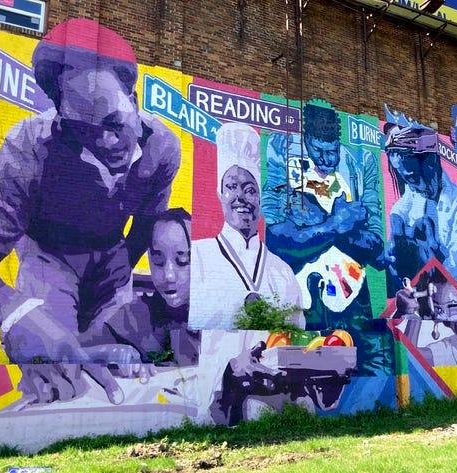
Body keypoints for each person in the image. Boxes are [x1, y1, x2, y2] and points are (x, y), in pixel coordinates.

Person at [0, 18, 181, 404]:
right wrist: (15, 312)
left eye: (115, 122)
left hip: (114, 252)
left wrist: (120, 268)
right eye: (84, 130)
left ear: (133, 101)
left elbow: (147, 222)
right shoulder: (26, 149)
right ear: (63, 119)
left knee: (120, 367)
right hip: (49, 253)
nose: (106, 142)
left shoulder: (163, 148)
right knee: (59, 375)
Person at [263, 101, 387, 375]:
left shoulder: (360, 164)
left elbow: (376, 245)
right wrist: (337, 224)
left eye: (332, 152)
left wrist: (314, 229)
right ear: (306, 140)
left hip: (355, 301)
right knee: (305, 373)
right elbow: (275, 239)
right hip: (305, 301)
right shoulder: (280, 152)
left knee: (364, 371)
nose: (327, 159)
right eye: (318, 150)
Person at [189, 122, 304, 330]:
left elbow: (295, 333)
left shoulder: (283, 272)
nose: (240, 197)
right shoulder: (195, 257)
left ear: (260, 200)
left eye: (250, 189)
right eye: (231, 187)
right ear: (219, 195)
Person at [80, 208, 199, 366]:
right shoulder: (136, 317)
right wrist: (106, 353)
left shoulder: (222, 316)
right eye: (158, 261)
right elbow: (63, 349)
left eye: (182, 261)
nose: (168, 275)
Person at [382, 110, 457, 293]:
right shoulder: (415, 190)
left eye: (413, 177)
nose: (410, 185)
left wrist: (429, 258)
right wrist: (396, 232)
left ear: (430, 163)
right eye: (404, 178)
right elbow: (400, 208)